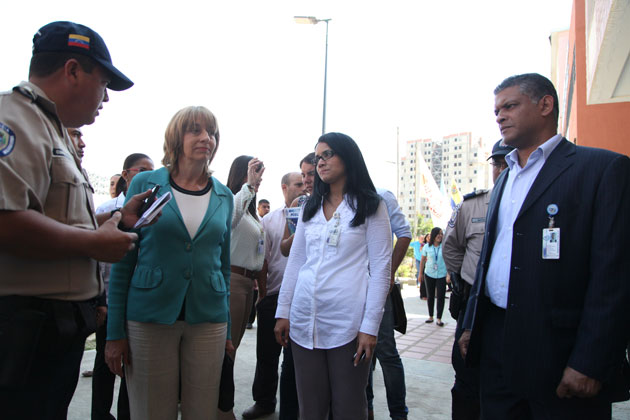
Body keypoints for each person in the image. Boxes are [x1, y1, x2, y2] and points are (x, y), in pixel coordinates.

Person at [458, 73, 630, 419]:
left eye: (510, 106)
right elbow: (490, 257)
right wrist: (472, 325)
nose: (500, 116)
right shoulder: (505, 177)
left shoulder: (602, 169)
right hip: (497, 344)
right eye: (496, 111)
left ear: (545, 105)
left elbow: (613, 276)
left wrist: (590, 361)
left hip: (561, 352)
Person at [0, 20, 143, 420]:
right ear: (73, 70)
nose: (106, 98)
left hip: (51, 331)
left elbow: (52, 217)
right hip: (23, 330)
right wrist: (93, 244)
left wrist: (114, 221)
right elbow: (5, 220)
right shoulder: (14, 119)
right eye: (104, 83)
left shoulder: (55, 131)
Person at [105, 106, 233, 420]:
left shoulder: (224, 196)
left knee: (202, 412)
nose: (206, 138)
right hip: (149, 316)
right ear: (176, 137)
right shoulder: (145, 183)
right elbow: (123, 261)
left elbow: (224, 266)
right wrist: (114, 332)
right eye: (195, 130)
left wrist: (228, 328)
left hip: (208, 318)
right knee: (151, 411)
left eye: (212, 133)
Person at [274, 132, 392, 420]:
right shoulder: (309, 207)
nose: (320, 163)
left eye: (327, 154)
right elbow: (297, 261)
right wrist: (283, 311)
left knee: (348, 408)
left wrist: (370, 327)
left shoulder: (371, 206)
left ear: (348, 157)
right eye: (317, 158)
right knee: (310, 409)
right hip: (304, 321)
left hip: (348, 324)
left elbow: (381, 270)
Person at [442, 140, 513, 420]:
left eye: (508, 162)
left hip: (515, 304)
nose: (502, 169)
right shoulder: (472, 205)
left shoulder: (530, 200)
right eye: (497, 163)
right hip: (474, 299)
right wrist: (468, 276)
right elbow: (451, 247)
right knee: (466, 372)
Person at [92, 153, 154, 420]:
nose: (149, 175)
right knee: (105, 364)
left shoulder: (153, 211)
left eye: (152, 170)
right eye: (142, 170)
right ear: (126, 174)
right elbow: (96, 258)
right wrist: (100, 300)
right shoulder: (107, 210)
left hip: (137, 303)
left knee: (131, 368)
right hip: (108, 299)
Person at [242, 172, 304, 419]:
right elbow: (263, 259)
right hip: (274, 294)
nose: (303, 187)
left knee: (296, 359)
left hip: (302, 298)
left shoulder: (314, 216)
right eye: (298, 184)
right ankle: (264, 401)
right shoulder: (269, 221)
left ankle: (295, 408)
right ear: (284, 187)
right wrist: (264, 294)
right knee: (267, 354)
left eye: (304, 183)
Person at [223, 155, 265, 419]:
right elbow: (228, 220)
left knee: (232, 348)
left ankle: (221, 405)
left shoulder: (250, 211)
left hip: (248, 284)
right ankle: (222, 408)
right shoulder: (230, 200)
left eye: (260, 175)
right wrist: (248, 186)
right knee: (225, 349)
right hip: (233, 281)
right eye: (254, 173)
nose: (259, 179)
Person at [365, 188, 411, 420]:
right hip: (353, 290)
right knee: (360, 354)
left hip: (378, 287)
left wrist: (388, 272)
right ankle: (367, 409)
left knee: (386, 352)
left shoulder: (382, 195)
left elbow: (404, 234)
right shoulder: (342, 198)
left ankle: (398, 414)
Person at [419, 227, 448, 326]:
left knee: (440, 296)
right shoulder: (427, 247)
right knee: (430, 296)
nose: (440, 236)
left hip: (442, 274)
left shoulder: (444, 246)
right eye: (438, 234)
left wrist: (449, 274)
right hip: (429, 274)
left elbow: (448, 260)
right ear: (433, 235)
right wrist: (420, 274)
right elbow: (422, 261)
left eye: (441, 234)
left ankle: (439, 318)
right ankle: (430, 316)